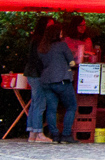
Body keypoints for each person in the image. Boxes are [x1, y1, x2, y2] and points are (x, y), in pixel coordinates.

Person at [37, 23, 78, 143]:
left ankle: (54, 135)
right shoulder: (62, 45)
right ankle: (66, 135)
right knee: (71, 106)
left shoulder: (42, 48)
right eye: (60, 32)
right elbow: (71, 62)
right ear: (57, 34)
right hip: (61, 80)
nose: (62, 34)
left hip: (46, 81)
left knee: (51, 109)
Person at [25, 15, 57, 143]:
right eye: (49, 25)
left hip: (31, 73)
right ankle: (38, 132)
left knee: (35, 102)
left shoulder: (35, 39)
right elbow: (39, 59)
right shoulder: (40, 40)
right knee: (40, 103)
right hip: (37, 74)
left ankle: (32, 132)